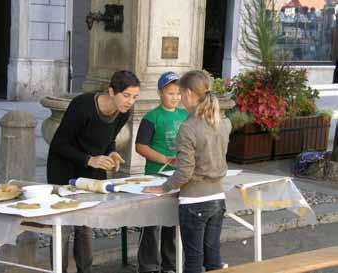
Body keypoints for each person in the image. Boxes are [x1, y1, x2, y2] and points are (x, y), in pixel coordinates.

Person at [46, 70, 140, 273]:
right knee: (63, 227)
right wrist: (90, 159)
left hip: (92, 171)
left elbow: (110, 138)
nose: (130, 101)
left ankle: (85, 270)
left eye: (134, 97)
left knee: (86, 226)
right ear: (111, 91)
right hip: (63, 169)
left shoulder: (124, 112)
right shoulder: (82, 105)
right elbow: (59, 144)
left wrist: (112, 152)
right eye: (126, 95)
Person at [143, 70, 232, 273]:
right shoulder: (222, 122)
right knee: (213, 259)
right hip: (218, 197)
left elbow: (184, 172)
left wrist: (163, 188)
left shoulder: (189, 127)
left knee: (193, 261)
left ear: (190, 93)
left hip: (194, 200)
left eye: (181, 94)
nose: (180, 99)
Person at [135, 71, 188, 273]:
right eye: (170, 92)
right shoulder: (151, 117)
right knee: (150, 222)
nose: (174, 97)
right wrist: (165, 159)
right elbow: (141, 146)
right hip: (155, 175)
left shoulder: (185, 115)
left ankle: (170, 265)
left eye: (178, 93)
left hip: (179, 176)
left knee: (172, 222)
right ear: (159, 93)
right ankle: (148, 266)